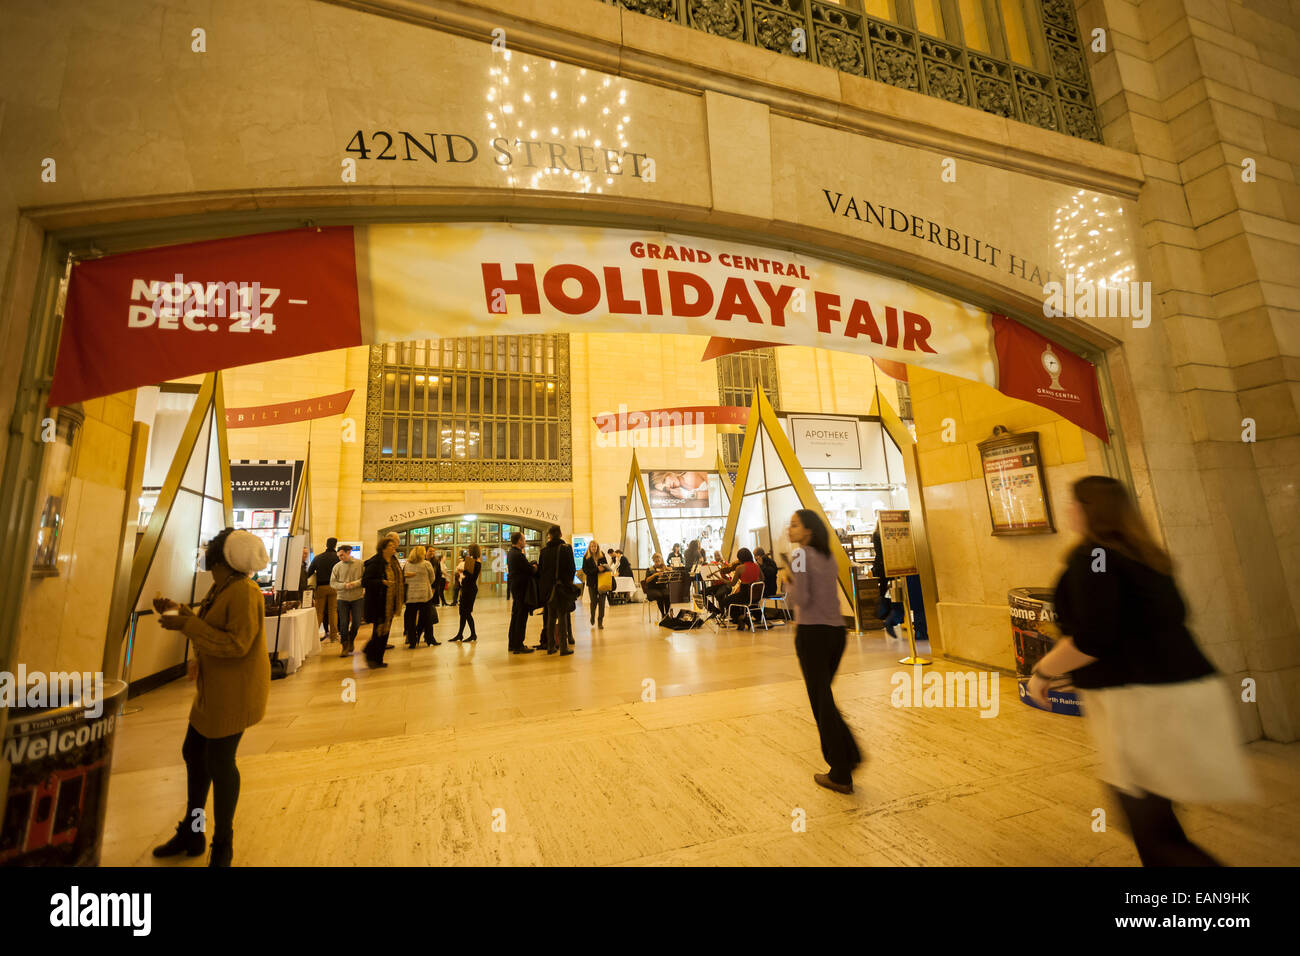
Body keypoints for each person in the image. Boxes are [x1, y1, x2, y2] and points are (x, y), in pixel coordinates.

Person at [1028, 476, 1255, 866]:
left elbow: (1094, 638)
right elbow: (1144, 625)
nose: (1068, 510)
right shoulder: (1145, 554)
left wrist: (1043, 673)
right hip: (1180, 689)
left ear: (1088, 509)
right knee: (1152, 816)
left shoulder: (1093, 558)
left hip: (1140, 701)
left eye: (1072, 502)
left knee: (1153, 832)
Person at [151, 528, 270, 867]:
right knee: (194, 752)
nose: (204, 554)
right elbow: (210, 628)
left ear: (221, 557)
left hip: (235, 691)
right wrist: (178, 613)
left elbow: (237, 644)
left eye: (209, 550)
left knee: (220, 763)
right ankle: (193, 830)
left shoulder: (244, 591)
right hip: (214, 688)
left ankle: (222, 845)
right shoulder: (224, 586)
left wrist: (188, 625)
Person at [783, 509, 860, 795]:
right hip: (836, 632)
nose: (789, 529)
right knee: (824, 698)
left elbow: (799, 599)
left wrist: (787, 578)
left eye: (794, 525)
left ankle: (840, 771)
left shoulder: (801, 555)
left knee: (821, 703)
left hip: (812, 633)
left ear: (809, 531)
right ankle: (849, 756)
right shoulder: (827, 556)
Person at [536, 525, 575, 655]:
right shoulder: (565, 549)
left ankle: (550, 646)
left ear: (550, 536)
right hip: (561, 588)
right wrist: (568, 584)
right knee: (562, 616)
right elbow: (571, 569)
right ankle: (563, 647)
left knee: (551, 617)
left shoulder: (544, 551)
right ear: (561, 534)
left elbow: (541, 571)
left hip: (548, 590)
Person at [361, 536, 400, 668]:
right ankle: (371, 655)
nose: (394, 547)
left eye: (394, 545)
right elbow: (365, 581)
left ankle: (376, 658)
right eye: (390, 545)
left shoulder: (393, 562)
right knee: (379, 631)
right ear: (383, 548)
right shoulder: (376, 562)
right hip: (378, 602)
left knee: (385, 631)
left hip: (389, 602)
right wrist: (382, 582)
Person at [331, 544, 364, 656]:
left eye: (342, 555)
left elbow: (364, 579)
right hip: (342, 598)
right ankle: (344, 645)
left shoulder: (360, 564)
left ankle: (351, 639)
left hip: (357, 597)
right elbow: (333, 583)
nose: (340, 558)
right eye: (339, 556)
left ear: (349, 552)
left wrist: (355, 584)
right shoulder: (337, 566)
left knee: (356, 622)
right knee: (343, 623)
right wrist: (344, 585)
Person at [403, 545, 439, 648]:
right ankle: (429, 638)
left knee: (411, 619)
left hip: (411, 596)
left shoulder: (407, 564)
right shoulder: (426, 564)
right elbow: (432, 578)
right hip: (424, 596)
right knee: (427, 618)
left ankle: (412, 641)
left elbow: (404, 578)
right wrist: (425, 583)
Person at [871, 526, 904, 637]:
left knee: (887, 593)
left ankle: (890, 614)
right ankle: (892, 616)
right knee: (894, 594)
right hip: (889, 567)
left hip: (882, 568)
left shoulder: (876, 535)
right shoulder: (882, 535)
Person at [306, 536, 341, 642]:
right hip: (334, 587)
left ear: (326, 545)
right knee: (333, 611)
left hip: (321, 587)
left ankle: (313, 637)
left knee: (319, 612)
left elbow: (309, 572)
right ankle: (334, 636)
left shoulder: (318, 557)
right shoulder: (338, 557)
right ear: (335, 545)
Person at [507, 532, 536, 654]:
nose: (525, 541)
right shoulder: (518, 555)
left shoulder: (511, 553)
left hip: (516, 588)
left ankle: (513, 643)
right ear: (519, 541)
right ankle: (519, 644)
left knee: (515, 616)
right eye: (523, 539)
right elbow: (529, 570)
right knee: (521, 617)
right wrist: (534, 567)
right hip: (521, 590)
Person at [721, 548, 762, 629]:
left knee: (725, 602)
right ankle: (742, 620)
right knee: (734, 600)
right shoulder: (757, 566)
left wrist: (724, 580)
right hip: (756, 596)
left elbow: (733, 584)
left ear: (740, 558)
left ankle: (741, 618)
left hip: (745, 595)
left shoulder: (740, 568)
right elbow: (762, 579)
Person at [451, 544, 481, 642]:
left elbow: (471, 577)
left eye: (469, 549)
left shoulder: (474, 562)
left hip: (470, 590)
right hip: (467, 589)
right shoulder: (473, 561)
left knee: (466, 612)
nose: (468, 551)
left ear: (472, 551)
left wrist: (463, 571)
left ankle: (473, 634)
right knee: (463, 613)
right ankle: (460, 634)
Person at [582, 539, 610, 629]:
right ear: (589, 548)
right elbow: (585, 570)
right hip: (592, 583)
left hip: (602, 582)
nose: (594, 548)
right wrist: (597, 569)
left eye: (595, 546)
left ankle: (600, 621)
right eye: (592, 546)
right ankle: (592, 616)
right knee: (593, 602)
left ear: (597, 547)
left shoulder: (602, 555)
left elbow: (607, 567)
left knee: (602, 603)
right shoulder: (586, 557)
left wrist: (604, 568)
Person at [642, 552, 673, 619]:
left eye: (659, 561)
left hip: (662, 588)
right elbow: (646, 580)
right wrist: (655, 575)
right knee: (659, 596)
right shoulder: (650, 569)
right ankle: (662, 614)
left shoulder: (663, 568)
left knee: (668, 595)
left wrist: (666, 569)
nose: (657, 563)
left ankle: (666, 613)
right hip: (652, 589)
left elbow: (672, 570)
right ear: (653, 561)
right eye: (656, 561)